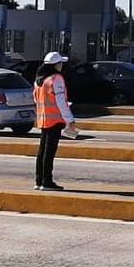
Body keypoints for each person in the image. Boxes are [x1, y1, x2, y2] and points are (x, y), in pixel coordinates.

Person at [32, 51, 76, 191]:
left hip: (43, 119)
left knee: (42, 151)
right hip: (54, 120)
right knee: (49, 152)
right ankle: (47, 181)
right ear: (56, 65)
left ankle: (39, 181)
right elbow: (60, 102)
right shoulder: (56, 79)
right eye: (60, 62)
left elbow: (36, 99)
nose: (62, 65)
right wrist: (70, 119)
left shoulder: (39, 80)